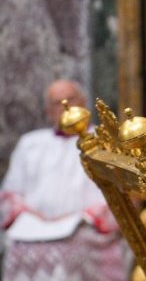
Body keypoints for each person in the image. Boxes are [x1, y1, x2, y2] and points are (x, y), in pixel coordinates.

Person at [0, 80, 131, 280]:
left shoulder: (104, 141)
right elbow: (10, 193)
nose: (65, 106)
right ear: (47, 111)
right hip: (34, 226)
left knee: (67, 253)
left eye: (70, 99)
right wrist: (32, 214)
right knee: (17, 249)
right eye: (56, 102)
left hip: (86, 229)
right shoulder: (31, 143)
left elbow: (119, 194)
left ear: (84, 102)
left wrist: (81, 217)